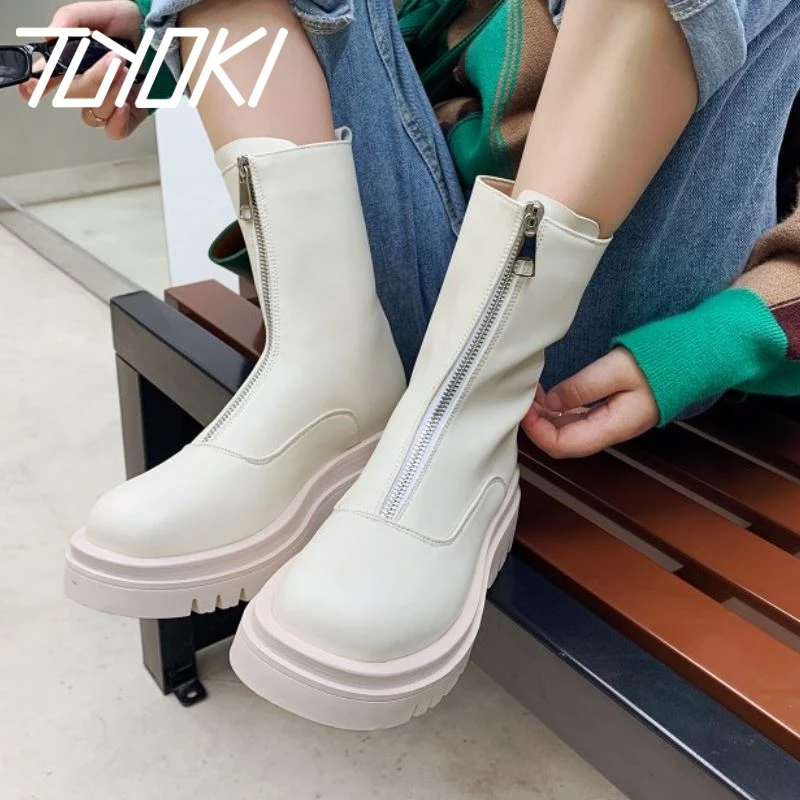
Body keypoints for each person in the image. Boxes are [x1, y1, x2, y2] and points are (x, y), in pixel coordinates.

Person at [37, 0, 800, 729]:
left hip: (602, 307)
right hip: (388, 271)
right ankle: (323, 376)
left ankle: (459, 427)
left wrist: (726, 337)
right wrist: (162, 40)